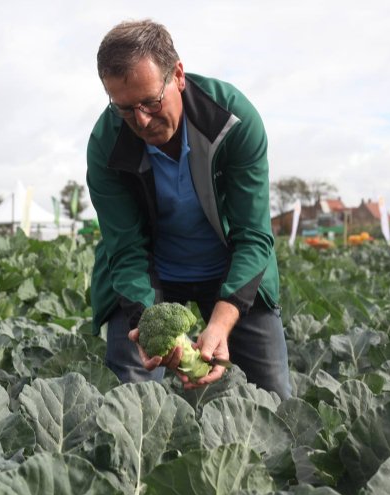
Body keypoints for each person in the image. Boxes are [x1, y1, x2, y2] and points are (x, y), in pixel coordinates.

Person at [86, 19, 291, 399]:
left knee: (274, 400)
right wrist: (146, 322)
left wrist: (221, 322)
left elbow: (253, 236)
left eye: (150, 101)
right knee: (131, 403)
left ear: (177, 74)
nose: (141, 120)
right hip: (151, 275)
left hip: (231, 269)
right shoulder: (105, 144)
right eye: (125, 109)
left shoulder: (232, 120)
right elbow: (125, 248)